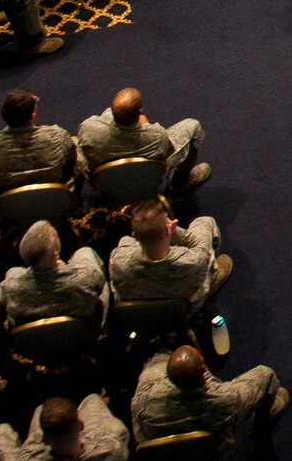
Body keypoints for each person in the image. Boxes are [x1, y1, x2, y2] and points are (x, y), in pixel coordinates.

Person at [131, 345, 287, 449]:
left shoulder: (144, 400)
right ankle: (263, 422)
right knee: (266, 375)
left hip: (164, 457)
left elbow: (139, 433)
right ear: (203, 369)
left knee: (162, 354)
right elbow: (247, 390)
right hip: (207, 450)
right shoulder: (225, 400)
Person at [110, 199, 230, 314]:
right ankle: (214, 275)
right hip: (183, 312)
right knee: (205, 222)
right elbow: (199, 245)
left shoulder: (118, 260)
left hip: (139, 315)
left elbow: (127, 243)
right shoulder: (193, 260)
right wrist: (175, 232)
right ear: (168, 229)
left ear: (134, 235)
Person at [78, 87, 210, 190]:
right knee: (193, 125)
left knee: (73, 142)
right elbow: (168, 150)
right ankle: (182, 180)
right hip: (149, 179)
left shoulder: (88, 129)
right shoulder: (157, 136)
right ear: (140, 111)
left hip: (106, 181)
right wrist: (145, 125)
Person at [14, 393, 130, 461]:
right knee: (92, 399)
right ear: (81, 425)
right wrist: (91, 436)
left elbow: (31, 443)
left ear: (44, 439)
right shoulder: (110, 452)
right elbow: (122, 433)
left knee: (40, 409)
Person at [2, 220, 107, 326]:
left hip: (33, 336)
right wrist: (64, 268)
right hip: (84, 333)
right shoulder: (87, 277)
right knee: (85, 252)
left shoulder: (10, 288)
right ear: (55, 255)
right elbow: (99, 283)